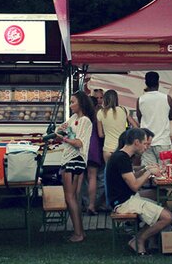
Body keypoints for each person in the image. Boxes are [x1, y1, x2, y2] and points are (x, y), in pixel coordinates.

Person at [105, 127, 172, 255]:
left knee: (160, 197)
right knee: (167, 217)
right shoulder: (121, 158)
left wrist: (145, 169)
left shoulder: (122, 156)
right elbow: (135, 186)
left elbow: (130, 177)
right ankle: (139, 240)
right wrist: (149, 172)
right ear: (136, 142)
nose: (145, 147)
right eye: (144, 143)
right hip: (123, 203)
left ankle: (152, 240)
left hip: (126, 198)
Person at [56, 90, 94, 243]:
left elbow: (79, 143)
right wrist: (62, 130)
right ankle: (80, 232)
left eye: (72, 102)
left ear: (81, 103)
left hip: (74, 159)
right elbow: (61, 132)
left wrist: (63, 136)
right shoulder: (73, 118)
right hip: (71, 159)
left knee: (70, 197)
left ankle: (78, 233)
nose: (70, 105)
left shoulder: (85, 121)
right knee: (72, 198)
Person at [136, 71, 172, 165]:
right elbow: (171, 116)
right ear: (158, 82)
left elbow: (139, 119)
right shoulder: (167, 98)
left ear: (145, 83)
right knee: (166, 174)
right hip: (163, 142)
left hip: (146, 143)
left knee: (148, 173)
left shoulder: (140, 100)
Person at [97, 89, 138, 165]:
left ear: (105, 99)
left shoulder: (101, 112)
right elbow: (135, 126)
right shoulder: (124, 110)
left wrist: (108, 132)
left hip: (108, 148)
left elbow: (100, 135)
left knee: (109, 173)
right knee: (123, 173)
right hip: (122, 148)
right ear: (116, 99)